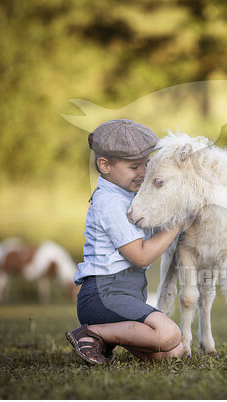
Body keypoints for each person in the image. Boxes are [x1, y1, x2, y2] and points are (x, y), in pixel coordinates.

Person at [65, 119, 183, 365]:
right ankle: (92, 333)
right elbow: (139, 256)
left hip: (127, 294)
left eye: (146, 164)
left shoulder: (130, 195)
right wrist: (177, 224)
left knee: (172, 352)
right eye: (134, 166)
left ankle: (103, 340)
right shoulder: (110, 202)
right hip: (104, 293)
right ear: (104, 165)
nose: (142, 172)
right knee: (169, 334)